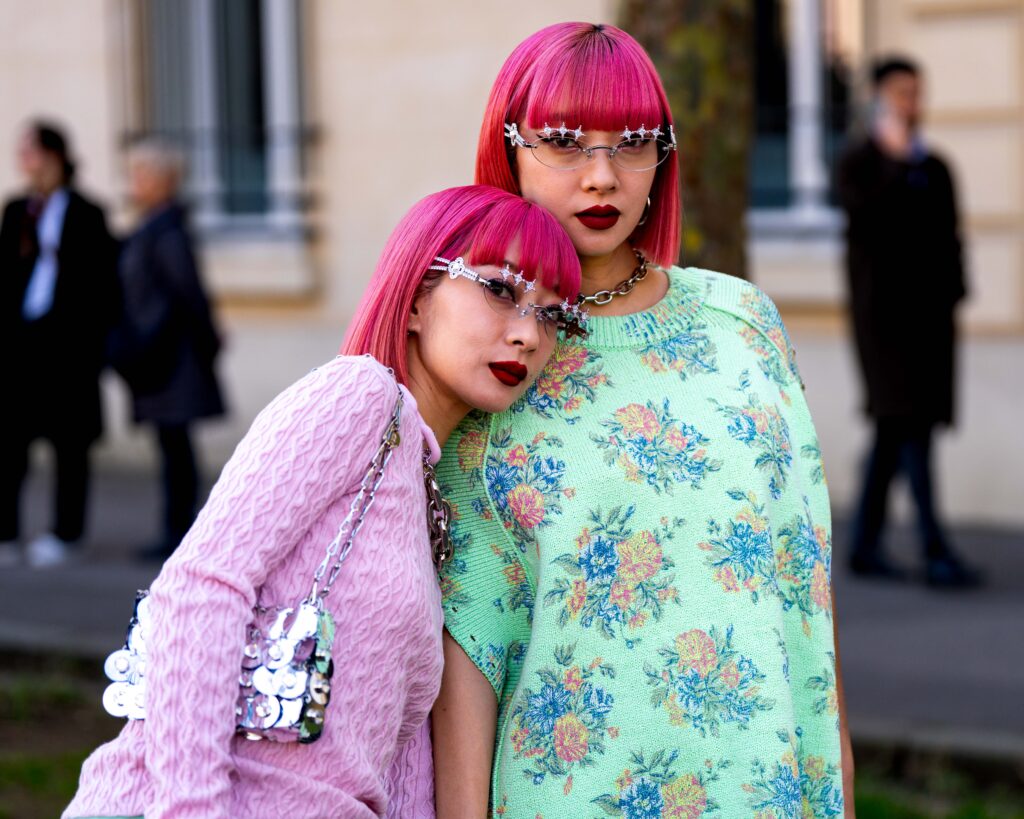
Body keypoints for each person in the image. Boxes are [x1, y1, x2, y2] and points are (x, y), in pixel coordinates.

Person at [431, 23, 853, 818]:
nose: (602, 175)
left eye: (632, 143)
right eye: (563, 141)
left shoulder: (745, 324)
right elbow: (472, 657)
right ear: (508, 147)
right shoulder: (494, 361)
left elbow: (806, 600)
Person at [62, 184, 581, 819]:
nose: (529, 334)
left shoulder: (422, 487)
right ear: (416, 297)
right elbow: (201, 587)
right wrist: (191, 810)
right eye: (501, 289)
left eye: (554, 314)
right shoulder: (358, 396)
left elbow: (390, 755)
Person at [837, 56, 979, 588]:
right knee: (909, 425)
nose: (910, 104)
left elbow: (951, 240)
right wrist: (894, 163)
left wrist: (955, 295)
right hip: (883, 325)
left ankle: (865, 545)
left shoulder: (935, 166)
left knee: (895, 429)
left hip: (930, 323)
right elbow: (866, 218)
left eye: (917, 93)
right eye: (900, 93)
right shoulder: (861, 164)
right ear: (876, 98)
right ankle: (935, 548)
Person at [0, 121, 119, 568]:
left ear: (53, 155)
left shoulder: (86, 212)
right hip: (20, 344)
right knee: (10, 444)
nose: (24, 160)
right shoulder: (17, 209)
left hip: (67, 348)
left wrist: (92, 345)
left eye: (29, 151)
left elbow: (101, 284)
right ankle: (7, 532)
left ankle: (66, 533)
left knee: (70, 445)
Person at [109, 139, 226, 560]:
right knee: (171, 444)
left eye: (141, 174)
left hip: (170, 359)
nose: (133, 183)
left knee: (176, 446)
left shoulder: (167, 232)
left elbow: (188, 296)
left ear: (164, 181)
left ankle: (179, 531)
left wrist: (205, 343)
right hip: (160, 358)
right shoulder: (153, 227)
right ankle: (176, 529)